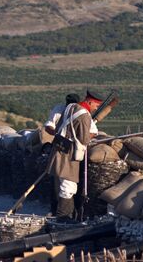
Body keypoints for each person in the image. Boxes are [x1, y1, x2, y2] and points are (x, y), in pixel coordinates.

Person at [48, 90, 102, 222]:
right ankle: (63, 218)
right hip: (69, 154)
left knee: (63, 185)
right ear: (90, 102)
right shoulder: (84, 115)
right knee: (68, 187)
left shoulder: (70, 107)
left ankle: (64, 217)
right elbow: (83, 139)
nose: (96, 108)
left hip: (59, 149)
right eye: (96, 105)